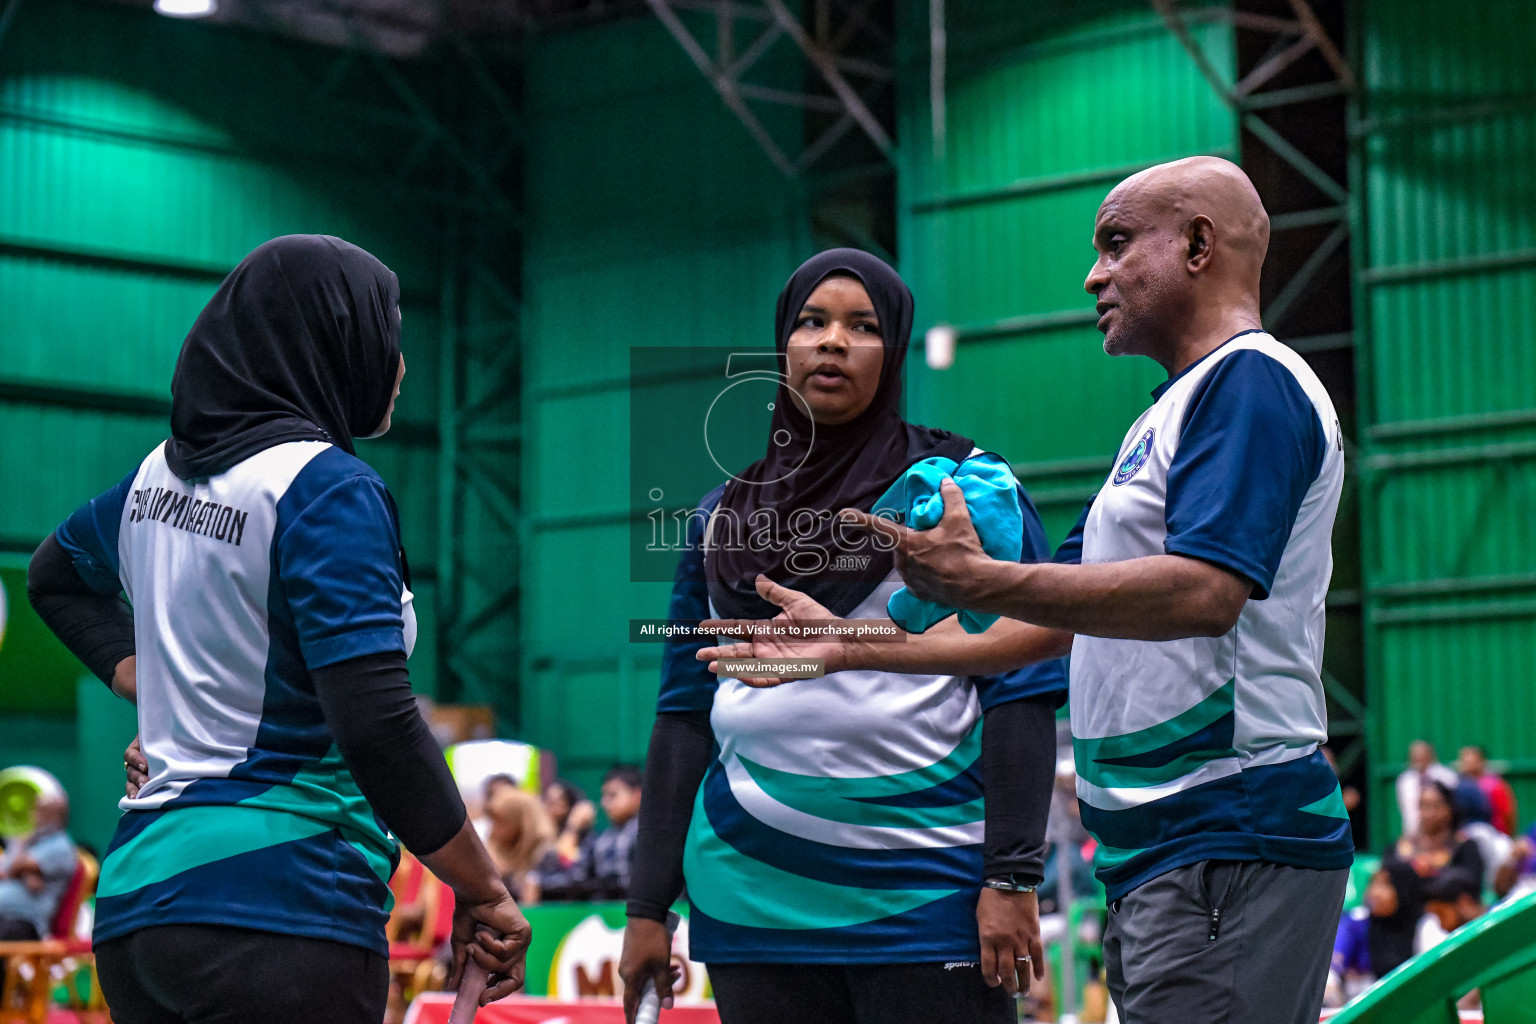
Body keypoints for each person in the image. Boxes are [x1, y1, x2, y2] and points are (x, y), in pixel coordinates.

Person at [698, 158, 1354, 1024]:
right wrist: (851, 646)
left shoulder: (1252, 384)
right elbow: (1038, 624)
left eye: (1117, 245)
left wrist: (984, 577)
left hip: (1228, 831)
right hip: (1166, 851)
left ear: (1199, 244)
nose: (1094, 275)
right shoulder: (1164, 419)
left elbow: (1205, 593)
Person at [25, 235, 529, 1024]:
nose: (398, 367)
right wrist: (481, 886)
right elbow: (378, 724)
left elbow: (52, 577)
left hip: (136, 914)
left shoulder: (155, 478)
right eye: (387, 339)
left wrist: (157, 691)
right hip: (279, 906)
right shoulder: (327, 488)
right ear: (328, 345)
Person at [619, 249, 1067, 1024]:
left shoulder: (964, 486)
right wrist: (647, 905)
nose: (832, 341)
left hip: (927, 902)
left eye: (862, 327)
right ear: (781, 346)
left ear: (892, 350)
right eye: (812, 322)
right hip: (749, 905)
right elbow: (683, 714)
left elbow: (1021, 686)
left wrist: (1013, 876)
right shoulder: (717, 516)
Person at [1385, 780, 1485, 900]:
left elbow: (1470, 883)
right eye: (1424, 806)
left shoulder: (1464, 847)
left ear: (1449, 809)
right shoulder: (1400, 847)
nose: (1428, 814)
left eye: (1435, 806)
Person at [0, 789, 78, 941]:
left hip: (25, 923)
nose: (35, 815)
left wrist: (21, 868)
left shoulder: (60, 847)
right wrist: (27, 874)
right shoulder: (37, 842)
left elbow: (14, 866)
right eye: (36, 810)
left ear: (58, 816)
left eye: (42, 811)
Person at [529, 779, 597, 903]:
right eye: (546, 800)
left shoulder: (584, 839)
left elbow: (576, 876)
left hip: (575, 908)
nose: (547, 806)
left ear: (568, 806)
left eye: (554, 802)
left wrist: (573, 827)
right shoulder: (542, 837)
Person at [484, 786, 556, 901]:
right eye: (493, 821)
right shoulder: (491, 849)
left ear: (522, 822)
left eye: (501, 822)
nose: (494, 828)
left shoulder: (544, 853)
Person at [1396, 740, 1457, 837]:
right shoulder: (1405, 780)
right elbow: (1405, 810)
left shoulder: (1446, 776)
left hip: (1442, 833)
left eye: (1421, 753)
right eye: (1415, 754)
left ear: (1430, 754)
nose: (1418, 757)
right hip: (1414, 832)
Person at [1459, 745, 1518, 837]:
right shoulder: (1460, 785)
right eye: (1464, 759)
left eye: (1470, 760)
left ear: (1482, 761)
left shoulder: (1494, 786)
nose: (1466, 763)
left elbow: (1508, 814)